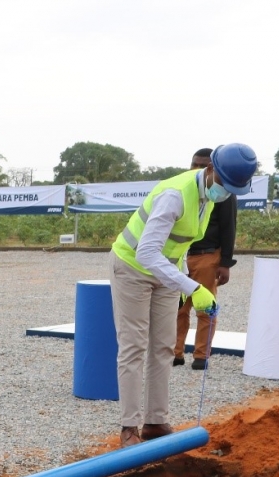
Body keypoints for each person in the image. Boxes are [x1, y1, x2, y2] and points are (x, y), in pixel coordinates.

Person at [109, 143, 256, 448]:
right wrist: (191, 287)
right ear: (211, 169)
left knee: (163, 346)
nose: (226, 193)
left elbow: (180, 241)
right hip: (133, 267)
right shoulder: (174, 195)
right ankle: (128, 428)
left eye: (232, 189)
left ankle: (155, 421)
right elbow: (146, 251)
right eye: (225, 185)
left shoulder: (211, 196)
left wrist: (179, 280)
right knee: (134, 346)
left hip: (164, 271)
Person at [175, 148, 237, 370]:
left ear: (213, 168)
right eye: (194, 164)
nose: (197, 169)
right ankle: (176, 352)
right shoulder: (185, 189)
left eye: (203, 165)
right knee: (179, 308)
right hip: (183, 257)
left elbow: (229, 228)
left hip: (208, 257)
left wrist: (225, 263)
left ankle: (201, 355)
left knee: (204, 308)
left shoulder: (221, 192)